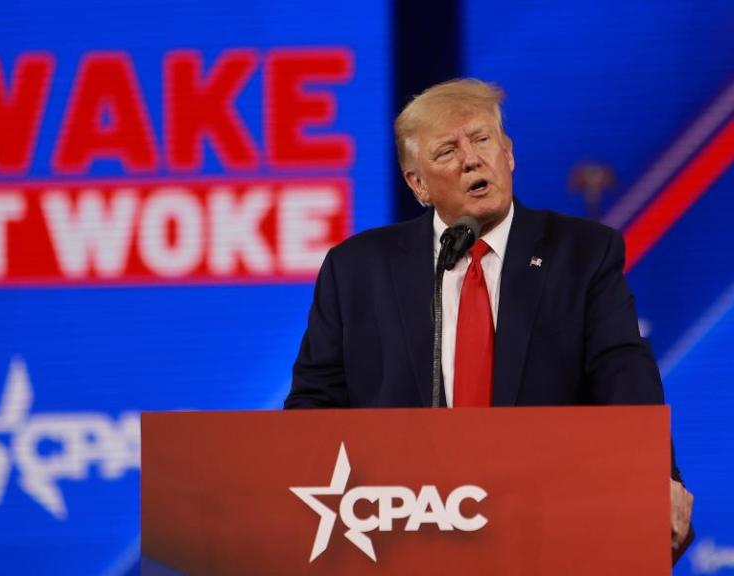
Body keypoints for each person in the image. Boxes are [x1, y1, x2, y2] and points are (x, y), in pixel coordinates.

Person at [284, 78, 694, 555]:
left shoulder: (581, 254)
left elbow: (625, 379)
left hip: (546, 533)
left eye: (482, 140)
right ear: (417, 185)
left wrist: (655, 479)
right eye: (446, 151)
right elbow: (314, 407)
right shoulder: (357, 269)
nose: (471, 159)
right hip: (400, 539)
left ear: (509, 153)